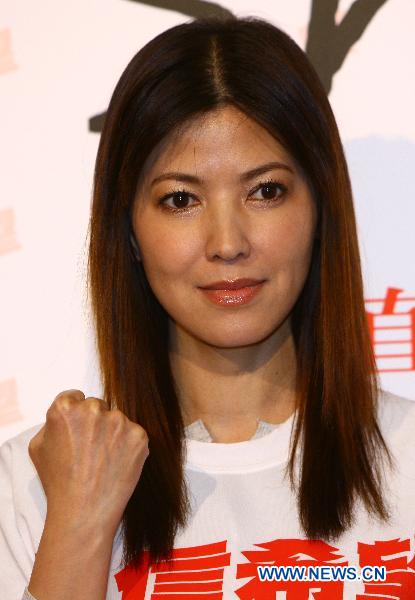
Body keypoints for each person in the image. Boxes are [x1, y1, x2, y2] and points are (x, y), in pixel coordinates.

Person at [1, 14, 415, 600]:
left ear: (321, 206)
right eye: (180, 199)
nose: (227, 242)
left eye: (265, 190)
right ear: (129, 231)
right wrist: (80, 525)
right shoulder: (33, 485)